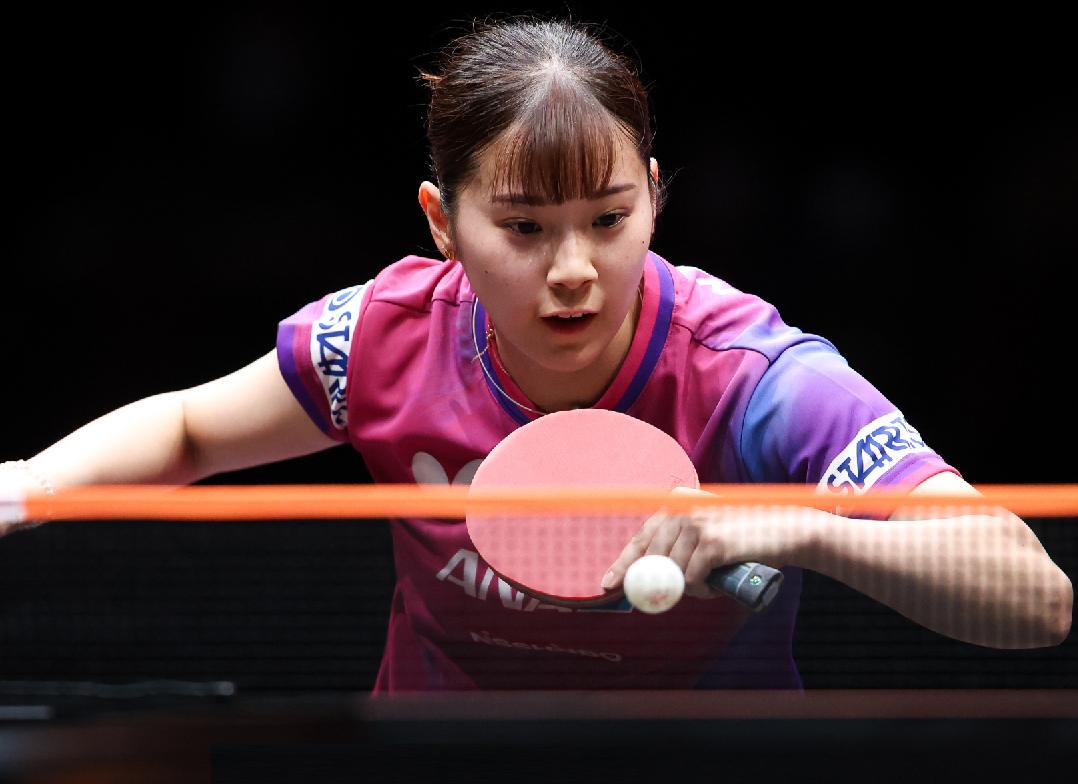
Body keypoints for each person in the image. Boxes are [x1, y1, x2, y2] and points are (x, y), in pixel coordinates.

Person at [0, 17, 1070, 691]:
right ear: (441, 221)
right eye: (523, 228)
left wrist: (798, 526)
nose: (572, 270)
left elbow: (1034, 598)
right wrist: (26, 485)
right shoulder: (383, 337)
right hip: (437, 763)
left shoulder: (752, 376)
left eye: (609, 218)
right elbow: (191, 430)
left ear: (655, 196)